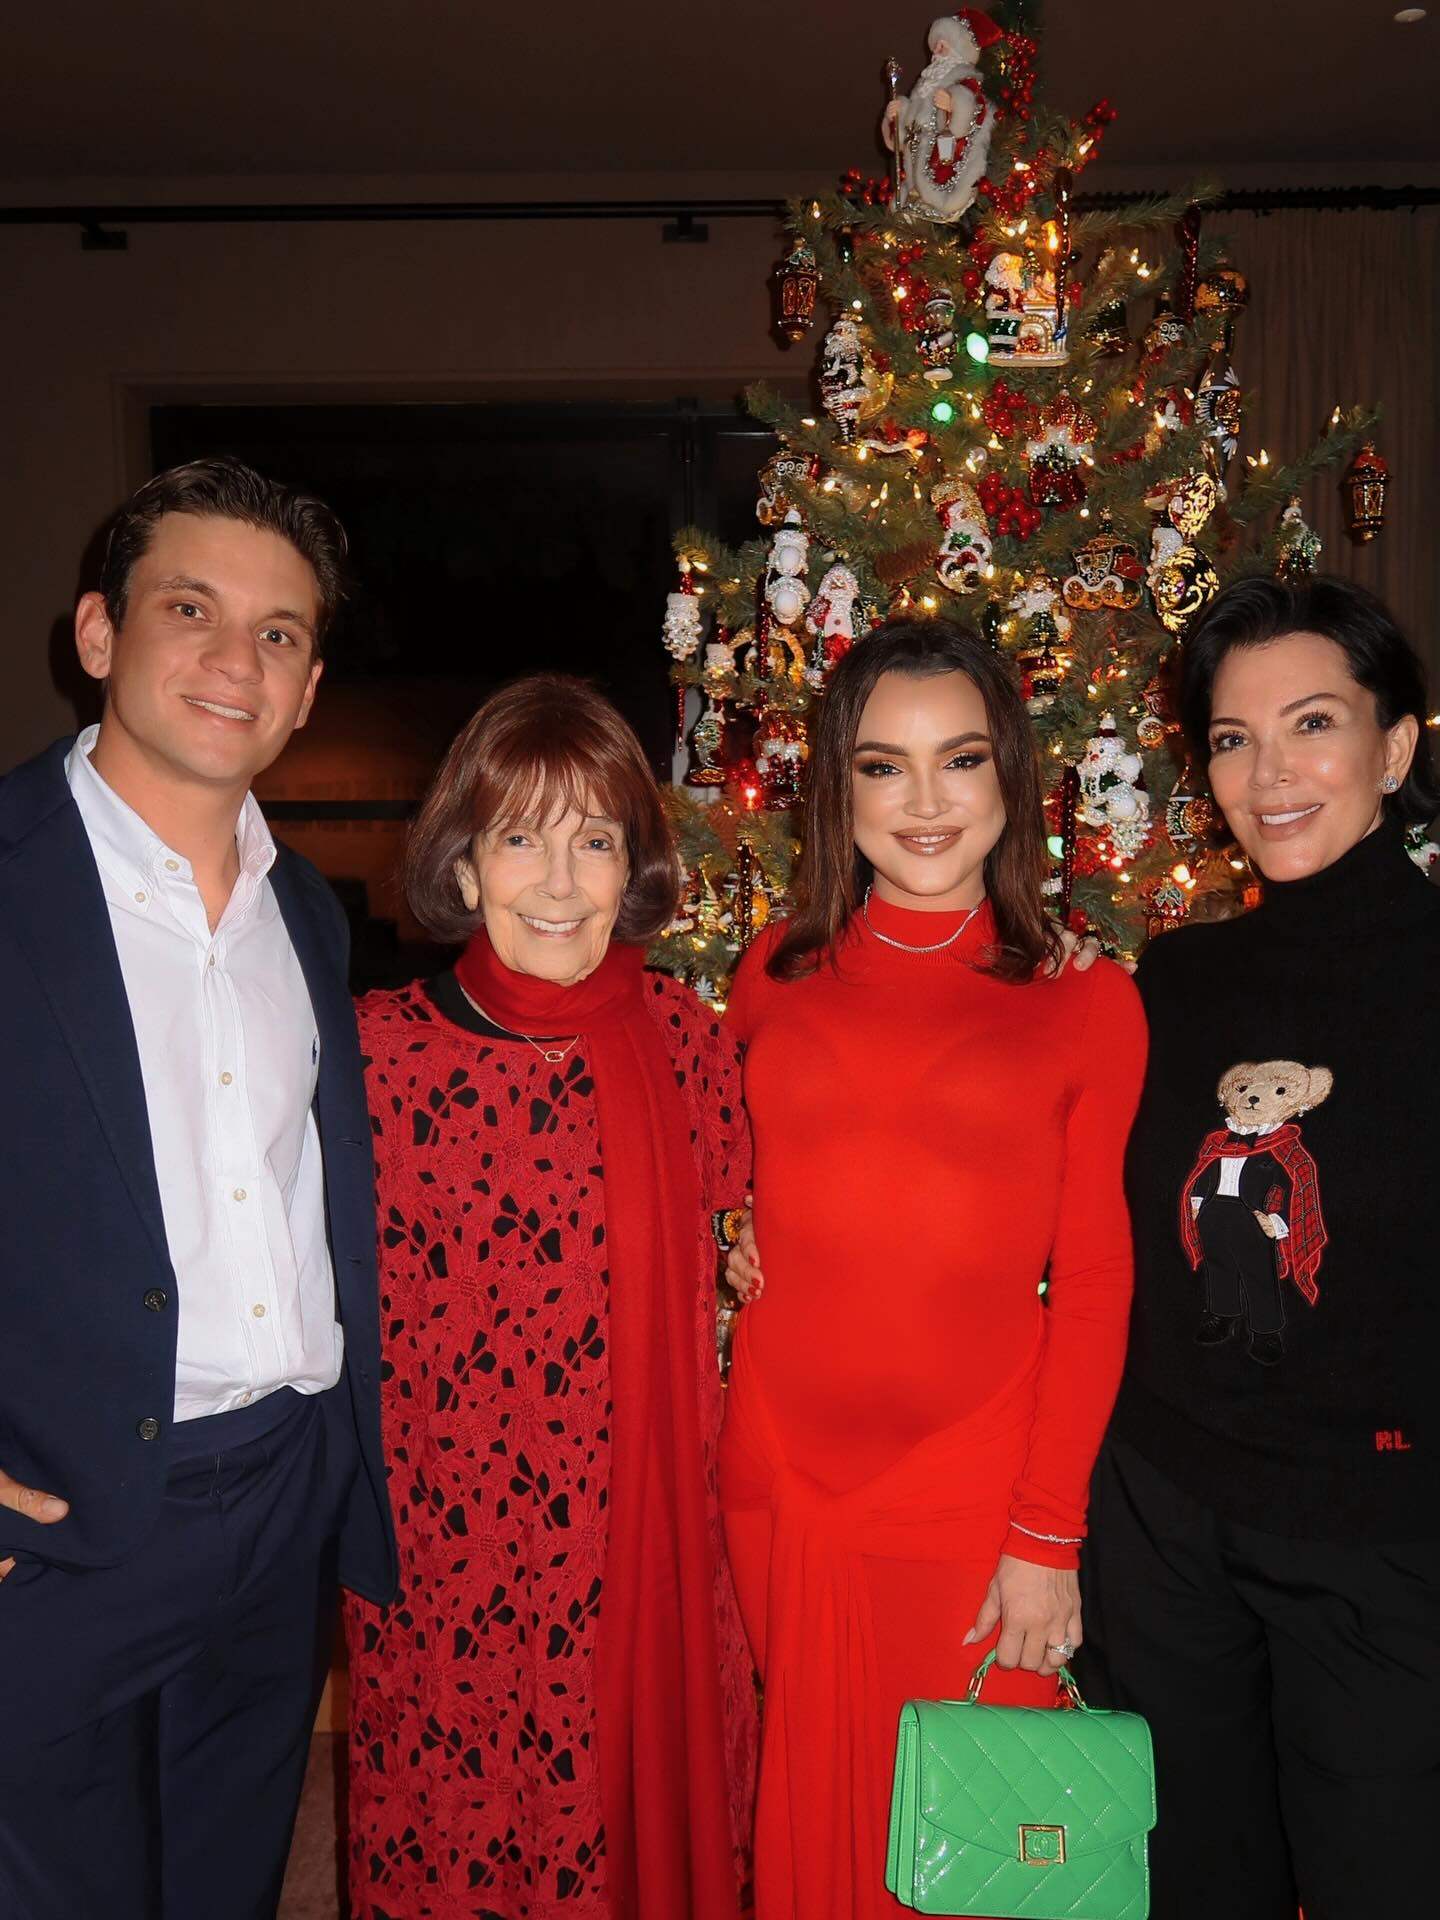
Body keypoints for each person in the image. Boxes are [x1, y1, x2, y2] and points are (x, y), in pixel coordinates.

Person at [0, 457, 397, 1918]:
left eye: (281, 633)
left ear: (304, 690)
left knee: (228, 1886)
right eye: (193, 609)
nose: (239, 660)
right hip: (58, 1527)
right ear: (100, 635)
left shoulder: (310, 911)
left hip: (282, 1504)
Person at [717, 618, 1146, 1920]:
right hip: (783, 1472)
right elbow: (756, 1183)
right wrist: (730, 1239)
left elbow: (1100, 1282)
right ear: (836, 786)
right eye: (883, 766)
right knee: (817, 1838)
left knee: (979, 1851)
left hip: (974, 1496)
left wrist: (1046, 1534)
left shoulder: (1085, 998)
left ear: (1009, 777)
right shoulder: (771, 973)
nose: (924, 803)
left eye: (959, 761)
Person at [343, 674, 756, 1920]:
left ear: (634, 866)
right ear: (464, 867)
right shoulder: (374, 1055)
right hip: (449, 1551)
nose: (562, 883)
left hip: (646, 1543)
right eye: (520, 838)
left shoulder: (687, 1039)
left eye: (595, 840)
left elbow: (747, 1243)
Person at [1079, 574, 1440, 1920]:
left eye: (1313, 726)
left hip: (1379, 1538)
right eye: (1233, 738)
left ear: (1395, 747)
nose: (1270, 774)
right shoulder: (1174, 984)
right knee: (1192, 1890)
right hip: (1167, 1525)